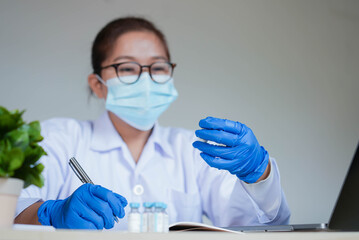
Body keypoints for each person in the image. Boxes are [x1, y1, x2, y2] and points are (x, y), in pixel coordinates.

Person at [14, 17, 290, 230]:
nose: (145, 79)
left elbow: (263, 227)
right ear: (98, 85)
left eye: (157, 67)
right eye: (127, 68)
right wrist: (50, 214)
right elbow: (8, 209)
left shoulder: (194, 151)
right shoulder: (57, 138)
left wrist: (258, 174)